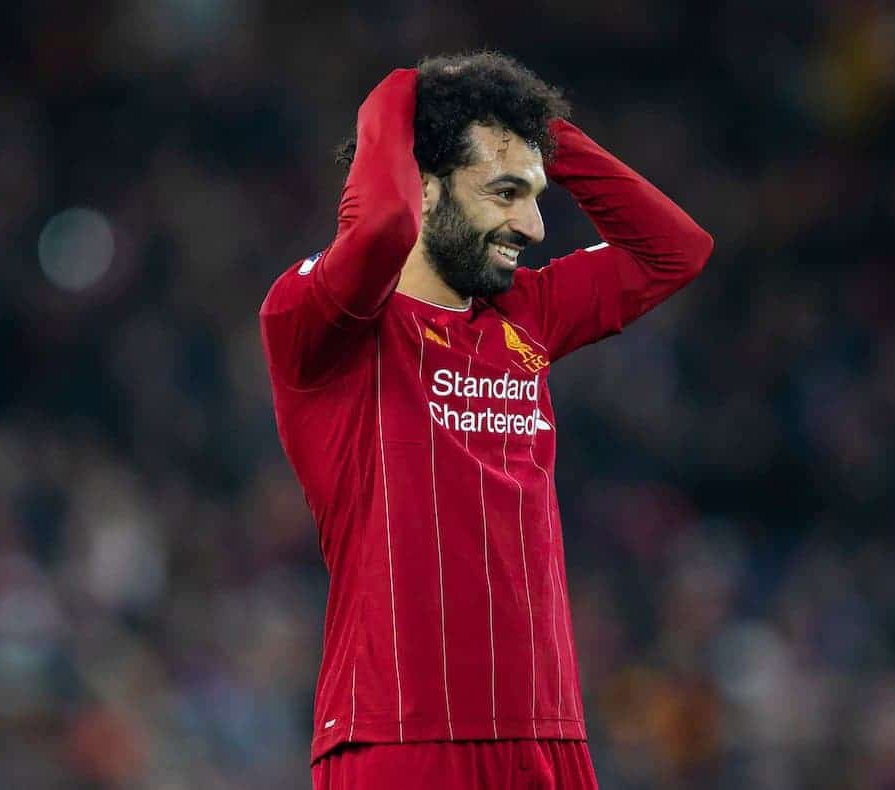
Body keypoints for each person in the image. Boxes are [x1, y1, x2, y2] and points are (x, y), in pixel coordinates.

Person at [259, 52, 713, 789]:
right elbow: (378, 228)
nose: (533, 225)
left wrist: (539, 136)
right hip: (401, 732)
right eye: (505, 193)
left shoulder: (525, 313)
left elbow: (675, 252)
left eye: (534, 195)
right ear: (427, 187)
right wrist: (402, 93)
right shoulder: (320, 322)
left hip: (546, 731)